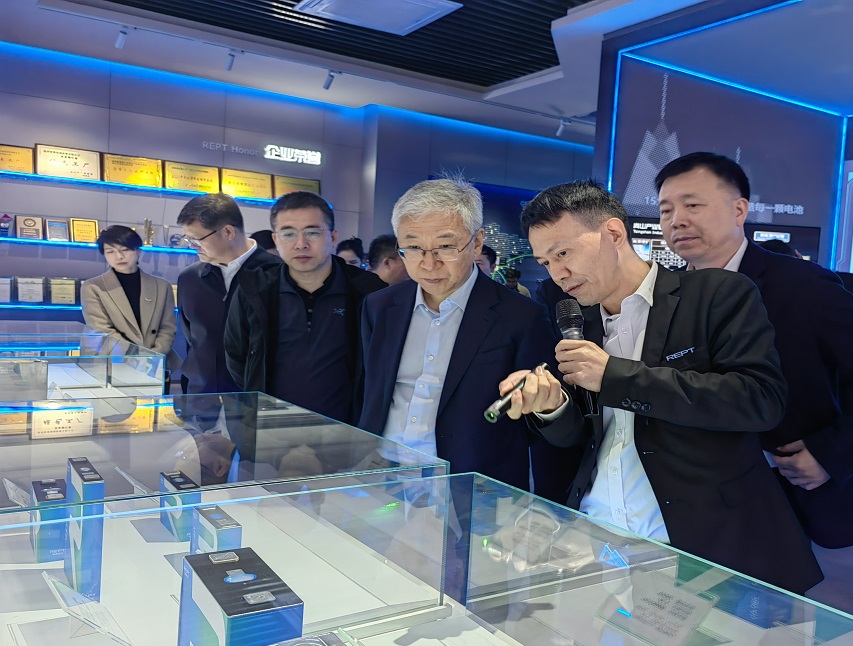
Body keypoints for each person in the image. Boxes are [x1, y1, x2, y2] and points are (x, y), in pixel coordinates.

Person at [504, 180, 822, 595]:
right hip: (598, 535)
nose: (556, 273)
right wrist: (552, 407)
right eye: (545, 261)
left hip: (700, 543)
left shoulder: (714, 294)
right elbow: (583, 438)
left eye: (563, 253)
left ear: (613, 233)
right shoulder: (579, 323)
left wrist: (616, 376)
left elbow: (759, 400)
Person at [655, 153, 853, 613]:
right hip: (690, 491)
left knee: (768, 616)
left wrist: (831, 453)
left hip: (776, 488)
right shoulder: (666, 292)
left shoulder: (803, 285)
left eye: (692, 205)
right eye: (665, 210)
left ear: (739, 210)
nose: (677, 220)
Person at [357, 177, 568, 499]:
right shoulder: (380, 306)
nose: (429, 263)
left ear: (477, 242)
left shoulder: (521, 316)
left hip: (473, 486)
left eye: (445, 247)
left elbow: (537, 416)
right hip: (384, 475)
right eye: (413, 247)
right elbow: (368, 389)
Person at [757, 239, 853, 615]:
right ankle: (788, 597)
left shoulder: (843, 286)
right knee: (781, 521)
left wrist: (840, 443)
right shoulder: (745, 292)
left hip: (845, 427)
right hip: (777, 431)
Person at [224, 191, 385, 423]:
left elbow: (382, 363)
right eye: (288, 233)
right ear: (276, 240)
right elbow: (236, 356)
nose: (301, 244)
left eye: (312, 232)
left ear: (333, 237)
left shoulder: (368, 291)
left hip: (347, 431)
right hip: (271, 429)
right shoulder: (254, 290)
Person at [176, 193, 279, 394]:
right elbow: (193, 339)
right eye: (188, 239)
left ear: (228, 232)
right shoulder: (189, 278)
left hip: (255, 400)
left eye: (197, 239)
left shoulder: (276, 274)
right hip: (201, 398)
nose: (192, 246)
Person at [81, 225, 181, 377]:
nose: (119, 256)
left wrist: (153, 356)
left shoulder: (162, 286)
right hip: (113, 361)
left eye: (125, 249)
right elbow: (100, 328)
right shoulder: (93, 287)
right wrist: (136, 355)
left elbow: (167, 328)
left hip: (153, 364)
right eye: (110, 251)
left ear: (138, 251)